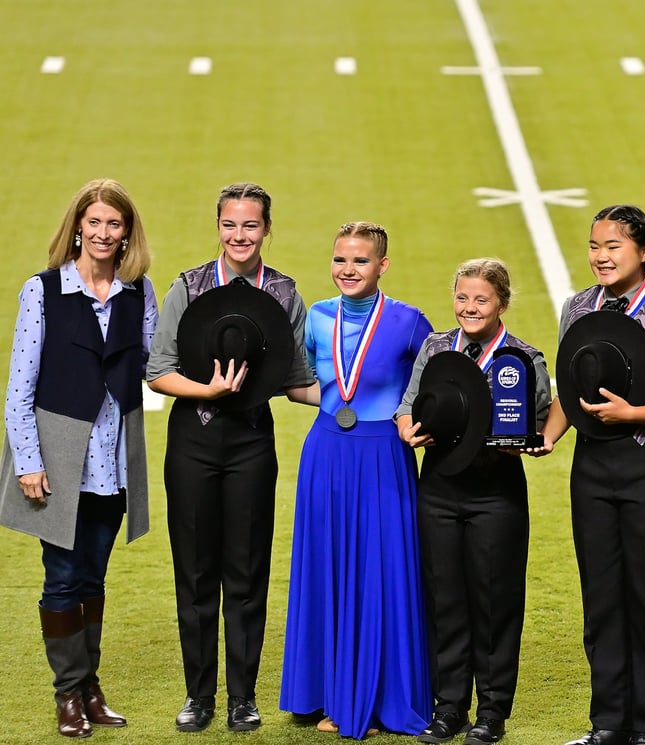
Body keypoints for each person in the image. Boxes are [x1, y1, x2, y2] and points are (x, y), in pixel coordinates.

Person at [533, 205, 645, 745]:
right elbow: (571, 390)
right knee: (603, 598)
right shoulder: (576, 308)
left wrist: (633, 414)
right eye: (594, 245)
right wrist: (545, 436)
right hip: (592, 468)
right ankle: (608, 722)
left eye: (613, 245)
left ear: (644, 250)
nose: (600, 256)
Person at [146, 182, 316, 733]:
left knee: (246, 571)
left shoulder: (286, 294)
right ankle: (199, 696)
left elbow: (297, 381)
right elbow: (158, 370)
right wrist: (209, 392)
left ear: (267, 228)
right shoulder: (189, 287)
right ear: (217, 226)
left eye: (250, 225)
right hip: (193, 443)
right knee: (195, 573)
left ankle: (243, 696)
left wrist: (376, 397)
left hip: (250, 443)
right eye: (229, 224)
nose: (239, 235)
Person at [0, 178, 157, 738]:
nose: (103, 232)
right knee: (62, 577)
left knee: (93, 576)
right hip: (58, 454)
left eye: (114, 224)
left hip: (114, 458)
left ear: (126, 234)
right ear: (78, 228)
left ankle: (91, 688)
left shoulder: (139, 292)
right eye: (94, 222)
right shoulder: (42, 290)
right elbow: (19, 385)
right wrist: (28, 462)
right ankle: (68, 693)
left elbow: (154, 365)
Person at [279, 222, 433, 739]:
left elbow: (435, 389)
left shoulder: (411, 322)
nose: (348, 270)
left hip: (382, 455)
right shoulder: (317, 317)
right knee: (326, 566)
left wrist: (417, 424)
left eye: (360, 261)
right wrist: (326, 399)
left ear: (382, 265)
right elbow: (295, 380)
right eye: (341, 260)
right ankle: (322, 692)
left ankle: (382, 695)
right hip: (326, 452)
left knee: (381, 570)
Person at [396, 258, 552, 745]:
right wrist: (407, 428)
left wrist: (528, 440)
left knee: (495, 603)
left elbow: (541, 421)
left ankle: (492, 712)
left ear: (502, 302)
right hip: (439, 489)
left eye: (481, 300)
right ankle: (449, 708)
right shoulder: (436, 347)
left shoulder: (523, 358)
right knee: (445, 600)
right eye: (462, 298)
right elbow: (408, 405)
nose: (470, 308)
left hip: (496, 494)